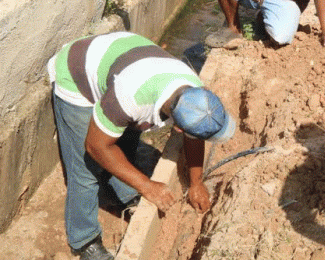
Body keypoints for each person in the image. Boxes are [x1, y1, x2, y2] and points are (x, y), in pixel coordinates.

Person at [49, 32, 235, 260]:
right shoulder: (131, 98)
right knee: (86, 170)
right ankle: (84, 240)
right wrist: (146, 186)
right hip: (78, 76)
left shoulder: (195, 94)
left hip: (121, 62)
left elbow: (194, 136)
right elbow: (96, 147)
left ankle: (123, 190)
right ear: (177, 129)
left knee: (125, 140)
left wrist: (196, 182)